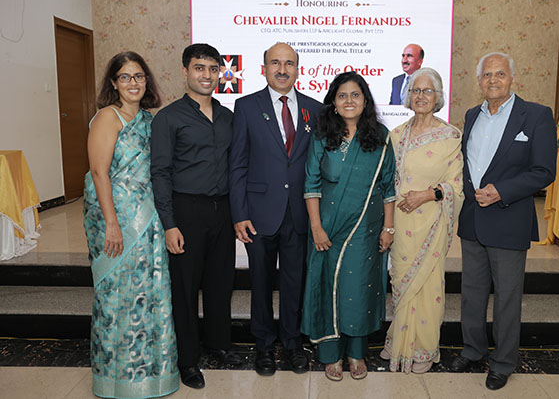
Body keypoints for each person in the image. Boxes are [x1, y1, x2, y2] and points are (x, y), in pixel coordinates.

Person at [452, 52, 557, 390]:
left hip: (509, 218)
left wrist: (501, 191)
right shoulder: (472, 115)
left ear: (512, 78)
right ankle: (472, 350)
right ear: (479, 80)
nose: (493, 80)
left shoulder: (537, 115)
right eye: (487, 74)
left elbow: (544, 171)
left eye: (500, 74)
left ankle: (502, 362)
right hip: (473, 220)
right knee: (472, 294)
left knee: (507, 298)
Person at [83, 51, 179, 398]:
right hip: (116, 220)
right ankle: (115, 379)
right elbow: (99, 173)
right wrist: (111, 223)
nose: (133, 83)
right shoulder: (107, 118)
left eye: (138, 76)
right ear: (114, 82)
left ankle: (152, 376)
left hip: (148, 220)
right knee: (116, 296)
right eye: (125, 77)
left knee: (149, 295)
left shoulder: (150, 120)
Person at [229, 43, 322, 376]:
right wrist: (239, 214)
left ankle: (293, 343)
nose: (282, 69)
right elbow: (238, 164)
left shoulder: (315, 109)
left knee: (295, 283)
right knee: (260, 282)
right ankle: (264, 346)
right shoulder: (246, 106)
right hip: (258, 213)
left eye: (289, 63)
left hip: (299, 214)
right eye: (275, 63)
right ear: (264, 68)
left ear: (298, 69)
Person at [150, 43, 238, 390]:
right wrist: (169, 224)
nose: (207, 75)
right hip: (186, 210)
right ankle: (187, 359)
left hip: (222, 209)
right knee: (185, 289)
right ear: (185, 71)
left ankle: (219, 344)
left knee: (220, 283)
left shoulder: (228, 117)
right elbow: (160, 173)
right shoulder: (169, 118)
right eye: (200, 68)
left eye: (213, 69)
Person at [301, 71, 396, 381]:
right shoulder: (322, 135)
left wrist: (389, 228)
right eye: (342, 95)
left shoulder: (380, 137)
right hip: (327, 228)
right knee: (330, 286)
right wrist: (316, 227)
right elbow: (311, 183)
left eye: (355, 94)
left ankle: (356, 353)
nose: (349, 100)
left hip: (366, 229)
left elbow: (388, 187)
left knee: (359, 288)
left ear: (365, 100)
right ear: (333, 102)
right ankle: (331, 354)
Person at [381, 68, 463, 373]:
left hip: (432, 222)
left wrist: (427, 195)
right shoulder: (396, 135)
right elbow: (386, 182)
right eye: (416, 90)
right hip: (401, 224)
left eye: (428, 91)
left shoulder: (450, 136)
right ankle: (399, 343)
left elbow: (456, 185)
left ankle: (424, 348)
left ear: (438, 96)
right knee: (402, 283)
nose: (421, 96)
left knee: (428, 287)